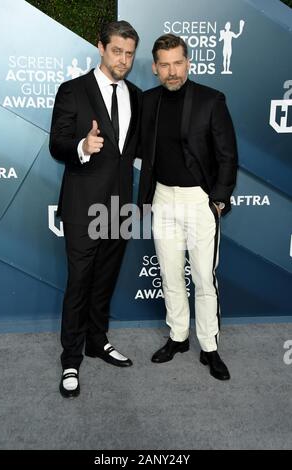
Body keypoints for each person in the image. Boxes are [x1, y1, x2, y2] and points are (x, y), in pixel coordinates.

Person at [49, 21, 142, 398]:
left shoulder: (137, 94)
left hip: (120, 206)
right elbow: (57, 143)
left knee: (105, 279)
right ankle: (70, 358)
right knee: (79, 283)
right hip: (82, 205)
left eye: (130, 54)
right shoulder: (72, 90)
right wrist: (83, 147)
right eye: (117, 51)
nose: (123, 60)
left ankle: (97, 341)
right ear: (100, 47)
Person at [137, 34, 238, 381]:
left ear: (188, 63)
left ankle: (209, 346)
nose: (172, 71)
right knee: (169, 274)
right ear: (154, 68)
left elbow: (227, 156)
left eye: (178, 62)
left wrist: (218, 200)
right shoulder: (148, 102)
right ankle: (178, 336)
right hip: (163, 198)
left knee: (203, 278)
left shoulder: (211, 100)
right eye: (164, 64)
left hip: (199, 200)